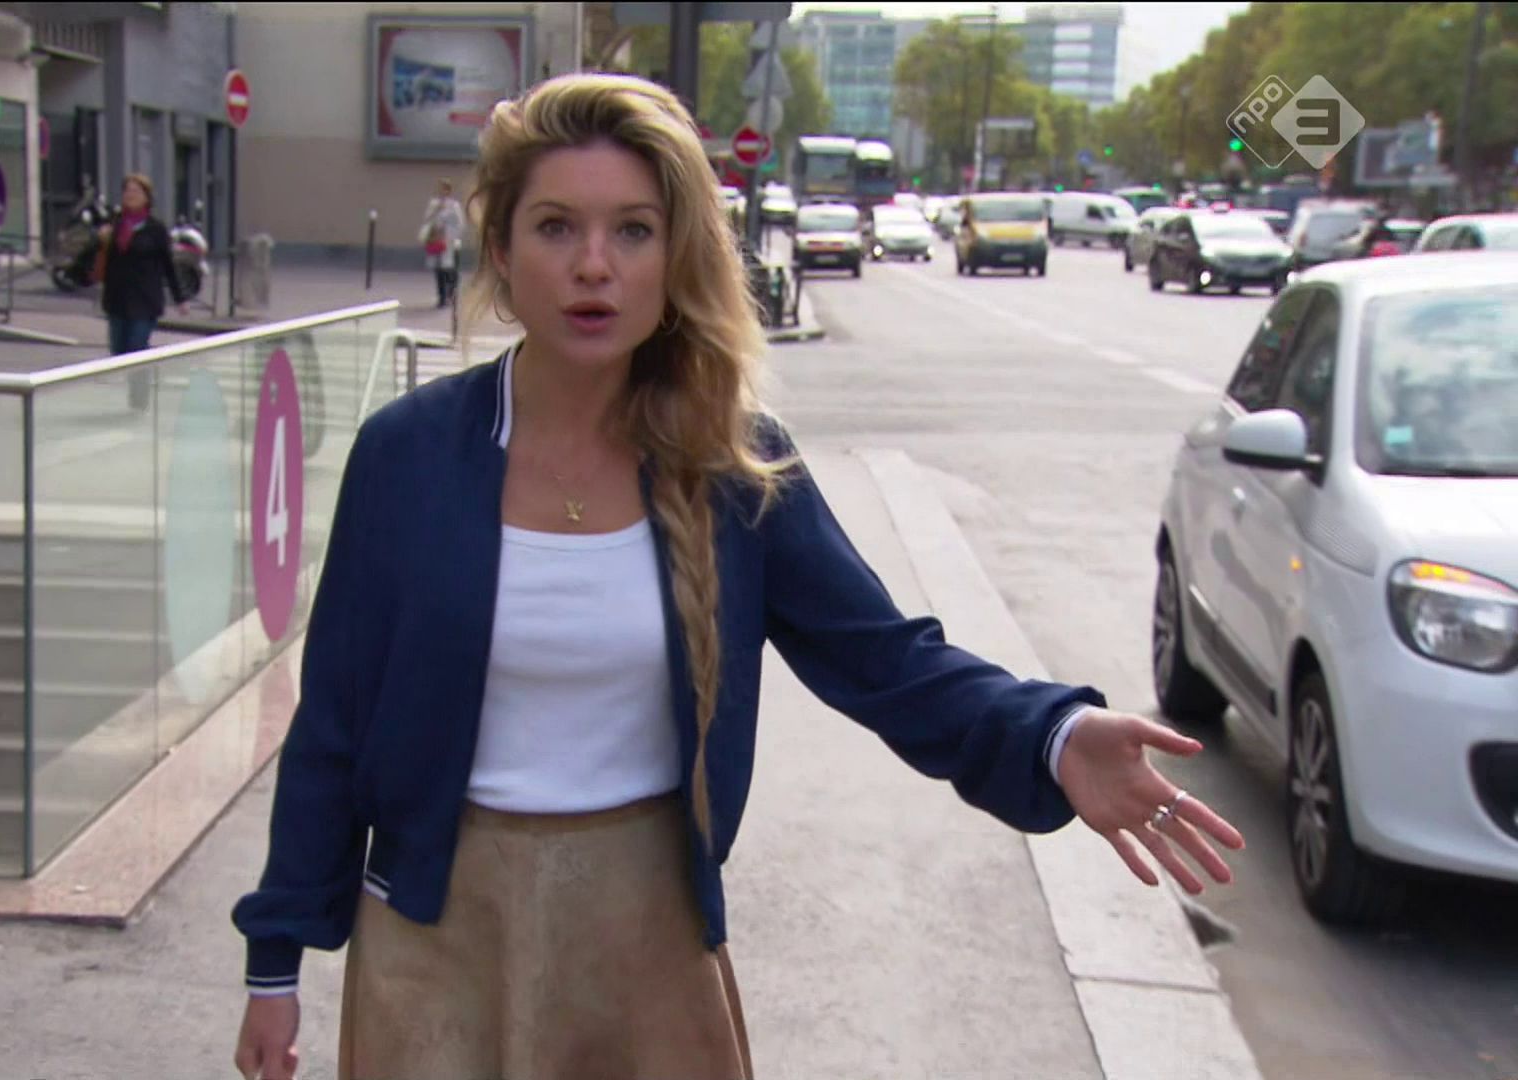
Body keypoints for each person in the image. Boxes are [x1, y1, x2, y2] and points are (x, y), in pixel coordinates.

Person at [232, 73, 1244, 1080]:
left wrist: (1051, 735)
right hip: (435, 942)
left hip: (648, 944)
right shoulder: (407, 456)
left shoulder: (734, 466)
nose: (594, 265)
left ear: (676, 255)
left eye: (634, 231)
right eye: (556, 227)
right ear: (500, 249)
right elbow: (334, 724)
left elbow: (887, 661)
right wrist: (274, 962)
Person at [96, 173, 187, 410]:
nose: (131, 195)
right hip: (117, 298)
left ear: (147, 197)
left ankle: (139, 399)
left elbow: (168, 265)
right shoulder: (115, 225)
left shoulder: (156, 229)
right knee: (119, 351)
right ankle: (140, 379)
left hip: (145, 300)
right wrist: (100, 241)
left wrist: (179, 298)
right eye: (127, 191)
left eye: (136, 191)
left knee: (136, 346)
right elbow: (100, 260)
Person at [421, 178, 465, 308]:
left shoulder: (454, 205)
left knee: (448, 269)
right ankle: (441, 296)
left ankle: (450, 292)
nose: (442, 192)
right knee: (438, 269)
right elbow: (427, 219)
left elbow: (460, 223)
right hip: (437, 240)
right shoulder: (434, 204)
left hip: (448, 242)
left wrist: (453, 237)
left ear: (449, 191)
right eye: (440, 189)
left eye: (445, 189)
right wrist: (436, 210)